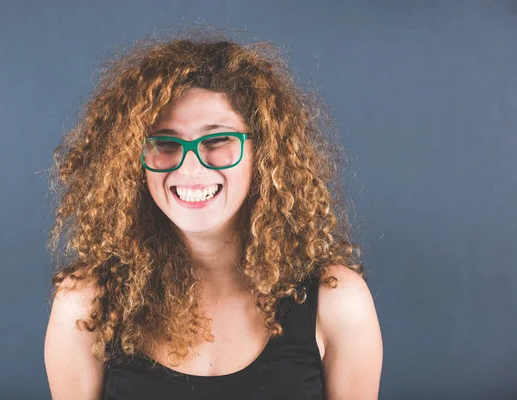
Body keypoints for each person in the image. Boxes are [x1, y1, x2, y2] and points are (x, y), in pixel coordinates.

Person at [44, 26, 382, 400]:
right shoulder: (86, 303)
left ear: (265, 153)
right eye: (165, 143)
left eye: (217, 140)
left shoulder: (337, 301)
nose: (190, 168)